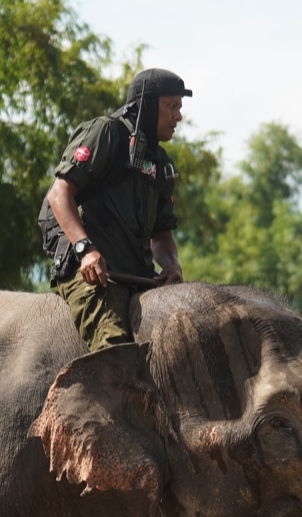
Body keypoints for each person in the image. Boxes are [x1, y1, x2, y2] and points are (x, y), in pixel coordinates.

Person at [38, 68, 190, 351]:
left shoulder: (162, 164)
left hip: (138, 277)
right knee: (115, 350)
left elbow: (161, 235)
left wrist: (171, 265)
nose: (178, 116)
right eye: (171, 106)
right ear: (146, 105)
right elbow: (59, 194)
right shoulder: (106, 133)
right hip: (92, 273)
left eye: (179, 107)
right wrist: (85, 250)